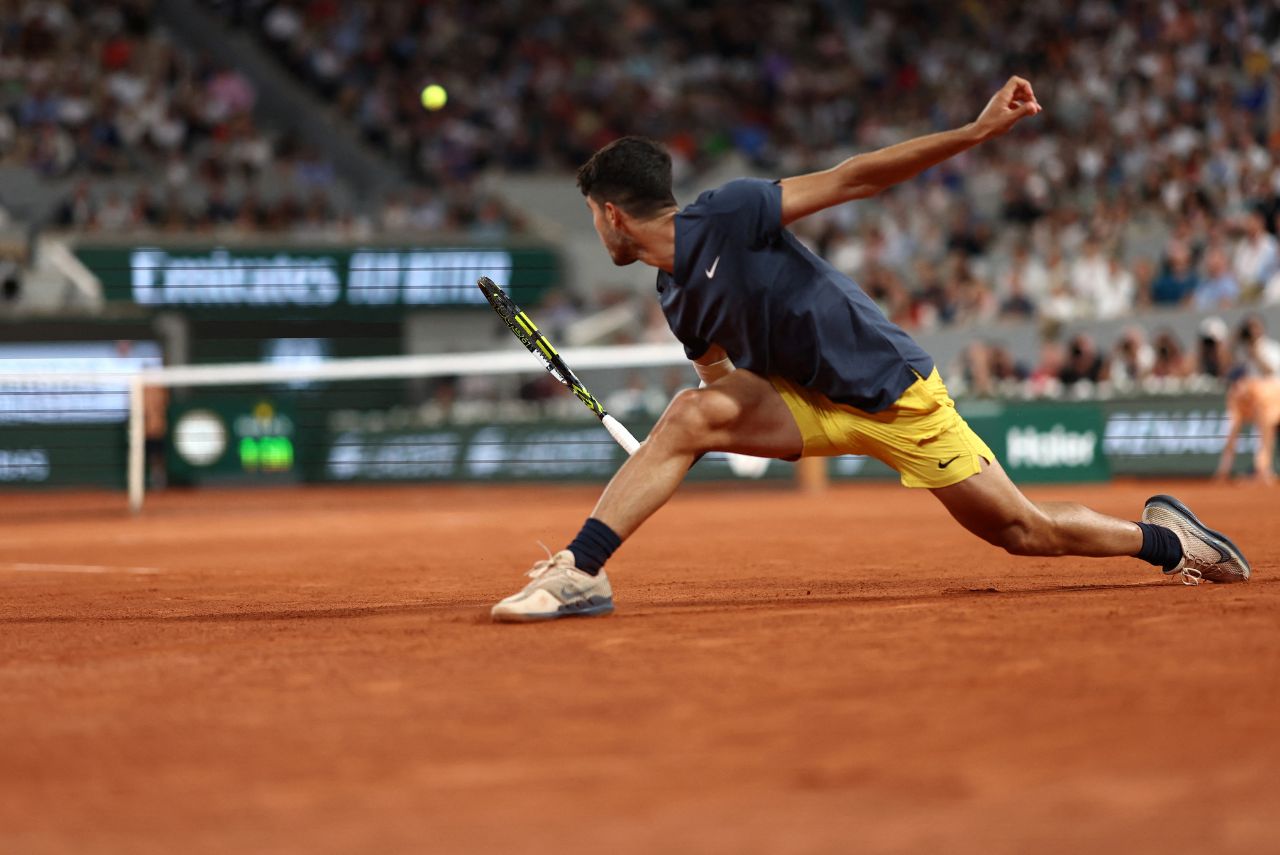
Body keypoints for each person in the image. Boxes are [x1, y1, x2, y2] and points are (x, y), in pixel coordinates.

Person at [491, 77, 1251, 623]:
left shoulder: (727, 213)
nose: (597, 229)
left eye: (594, 216)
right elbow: (719, 385)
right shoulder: (674, 295)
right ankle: (581, 570)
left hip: (893, 392)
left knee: (1022, 531)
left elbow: (855, 178)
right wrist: (719, 439)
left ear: (615, 216)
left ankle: (1166, 539)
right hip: (807, 403)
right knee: (689, 415)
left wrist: (975, 132)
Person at [1214, 370, 1280, 485]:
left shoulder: (1261, 394)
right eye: (1231, 386)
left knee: (1266, 437)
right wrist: (1224, 469)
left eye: (1236, 385)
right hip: (1270, 412)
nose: (1234, 389)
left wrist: (1263, 468)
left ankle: (1264, 470)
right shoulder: (1234, 397)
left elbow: (1266, 438)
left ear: (1244, 381)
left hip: (1275, 405)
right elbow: (1231, 435)